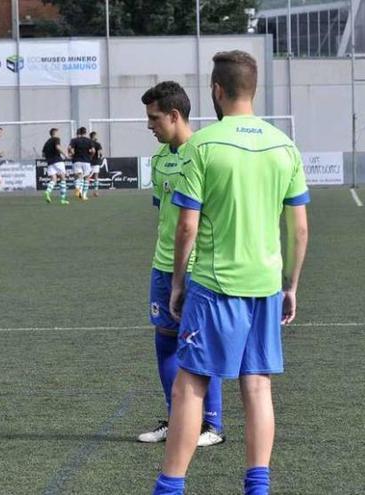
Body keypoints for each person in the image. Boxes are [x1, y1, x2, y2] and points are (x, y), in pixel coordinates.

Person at [152, 51, 310, 495]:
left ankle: (170, 487)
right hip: (265, 285)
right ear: (252, 89)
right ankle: (257, 488)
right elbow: (299, 227)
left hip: (215, 285)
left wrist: (178, 284)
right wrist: (291, 286)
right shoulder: (285, 146)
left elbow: (187, 225)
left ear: (217, 91)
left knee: (191, 384)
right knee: (257, 386)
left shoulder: (202, 145)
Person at [139, 81, 224, 449]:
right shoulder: (158, 160)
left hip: (198, 267)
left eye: (154, 118)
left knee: (200, 346)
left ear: (175, 115)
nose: (149, 126)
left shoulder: (204, 153)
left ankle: (211, 425)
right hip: (163, 266)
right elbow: (166, 218)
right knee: (166, 343)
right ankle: (178, 420)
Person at [42, 128, 69, 205]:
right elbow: (58, 147)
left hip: (50, 162)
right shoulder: (56, 139)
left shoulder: (46, 142)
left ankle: (48, 191)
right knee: (63, 178)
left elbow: (43, 154)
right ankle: (63, 199)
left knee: (53, 179)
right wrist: (65, 154)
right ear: (55, 133)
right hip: (57, 161)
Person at [67, 127, 94, 201]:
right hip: (86, 161)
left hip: (76, 161)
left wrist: (71, 154)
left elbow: (69, 148)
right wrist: (90, 156)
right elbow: (93, 150)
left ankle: (77, 189)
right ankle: (84, 195)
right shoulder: (89, 141)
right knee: (86, 178)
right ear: (85, 132)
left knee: (78, 177)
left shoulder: (74, 140)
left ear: (79, 133)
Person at [87, 131, 104, 198]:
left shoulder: (88, 144)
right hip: (96, 162)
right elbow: (100, 154)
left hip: (88, 161)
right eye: (96, 136)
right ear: (93, 136)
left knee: (87, 176)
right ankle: (96, 191)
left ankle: (84, 191)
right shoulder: (97, 144)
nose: (97, 137)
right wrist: (100, 156)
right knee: (96, 176)